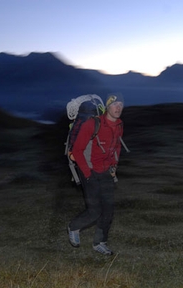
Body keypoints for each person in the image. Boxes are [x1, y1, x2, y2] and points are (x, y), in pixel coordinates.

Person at [67, 93, 125, 255]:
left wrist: (114, 167)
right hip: (89, 170)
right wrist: (87, 174)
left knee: (108, 210)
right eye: (114, 104)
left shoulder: (119, 125)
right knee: (94, 210)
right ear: (107, 107)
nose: (118, 107)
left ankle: (100, 242)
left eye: (120, 104)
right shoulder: (93, 124)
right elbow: (77, 151)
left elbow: (116, 148)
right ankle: (73, 227)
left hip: (106, 171)